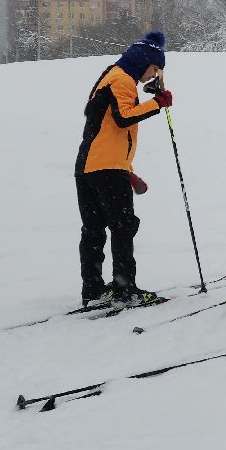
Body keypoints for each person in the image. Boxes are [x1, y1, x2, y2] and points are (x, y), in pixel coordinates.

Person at [74, 30, 172, 306]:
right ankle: (125, 289)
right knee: (122, 227)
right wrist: (157, 103)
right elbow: (123, 118)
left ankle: (93, 289)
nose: (154, 75)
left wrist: (127, 170)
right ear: (143, 61)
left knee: (93, 230)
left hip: (88, 167)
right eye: (154, 68)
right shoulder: (122, 79)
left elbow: (106, 130)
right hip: (107, 168)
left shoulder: (110, 76)